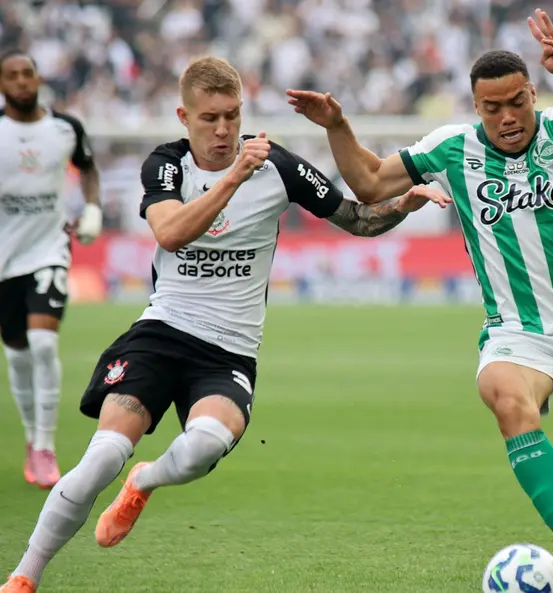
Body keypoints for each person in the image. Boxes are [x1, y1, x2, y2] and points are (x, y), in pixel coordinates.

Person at [0, 55, 448, 593]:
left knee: (205, 443)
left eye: (232, 116)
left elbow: (356, 218)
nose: (223, 130)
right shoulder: (166, 166)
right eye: (209, 118)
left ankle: (146, 481)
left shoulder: (278, 166)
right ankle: (25, 576)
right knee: (102, 457)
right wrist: (235, 177)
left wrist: (404, 204)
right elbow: (169, 234)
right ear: (183, 117)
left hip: (229, 352)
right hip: (160, 334)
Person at [287, 9, 553, 593]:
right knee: (508, 400)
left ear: (532, 93)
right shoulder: (451, 148)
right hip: (516, 331)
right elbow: (373, 182)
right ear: (475, 107)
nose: (506, 117)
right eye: (491, 107)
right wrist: (337, 125)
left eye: (516, 102)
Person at [0, 49, 103, 489]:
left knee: (43, 343)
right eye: (13, 76)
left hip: (49, 251)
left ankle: (45, 444)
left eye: (28, 74)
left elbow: (88, 167)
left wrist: (93, 208)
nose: (23, 81)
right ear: (3, 84)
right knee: (18, 352)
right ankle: (30, 438)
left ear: (39, 79)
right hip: (5, 260)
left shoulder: (64, 128)